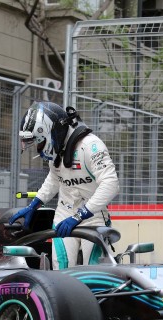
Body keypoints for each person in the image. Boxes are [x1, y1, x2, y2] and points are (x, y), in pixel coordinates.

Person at [10, 101, 119, 269]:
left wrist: (79, 216)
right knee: (61, 270)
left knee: (95, 272)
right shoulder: (56, 149)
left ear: (50, 131)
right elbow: (54, 179)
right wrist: (33, 205)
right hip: (64, 214)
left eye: (39, 142)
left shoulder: (91, 146)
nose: (39, 148)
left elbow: (111, 184)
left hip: (93, 216)